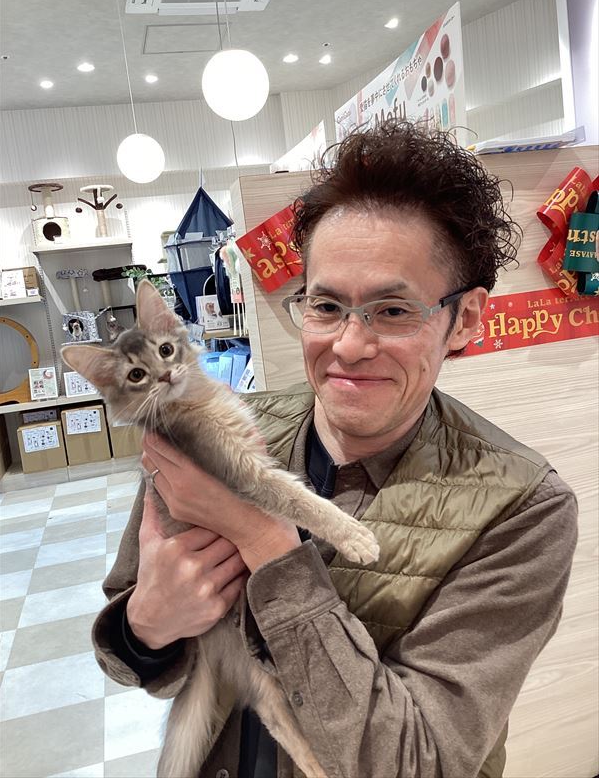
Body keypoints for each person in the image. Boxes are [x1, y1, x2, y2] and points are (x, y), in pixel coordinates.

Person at [93, 121, 578, 778]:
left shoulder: (522, 509)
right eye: (325, 306)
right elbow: (127, 644)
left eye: (393, 311)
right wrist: (144, 625)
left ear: (464, 319)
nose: (348, 345)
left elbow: (419, 763)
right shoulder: (213, 430)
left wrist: (263, 538)